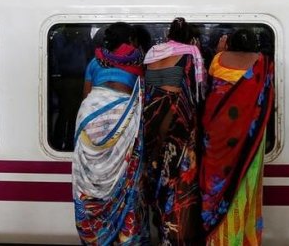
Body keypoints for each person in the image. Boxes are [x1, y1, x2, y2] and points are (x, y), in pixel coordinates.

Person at [72, 22, 149, 245]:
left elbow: (86, 95)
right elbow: (142, 92)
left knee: (91, 171)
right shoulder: (137, 60)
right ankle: (123, 235)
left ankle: (95, 235)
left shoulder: (95, 62)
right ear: (130, 41)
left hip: (90, 114)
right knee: (125, 172)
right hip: (123, 116)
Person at [200, 29, 274, 245]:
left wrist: (220, 51)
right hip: (249, 139)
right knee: (245, 182)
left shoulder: (218, 59)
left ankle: (218, 238)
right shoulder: (263, 63)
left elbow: (209, 86)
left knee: (216, 184)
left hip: (218, 136)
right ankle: (241, 237)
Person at [143, 17, 206, 245]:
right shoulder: (190, 53)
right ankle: (174, 234)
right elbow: (196, 91)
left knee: (155, 172)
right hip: (175, 120)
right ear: (190, 37)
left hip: (150, 118)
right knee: (177, 180)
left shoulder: (152, 53)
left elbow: (148, 88)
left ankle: (159, 228)